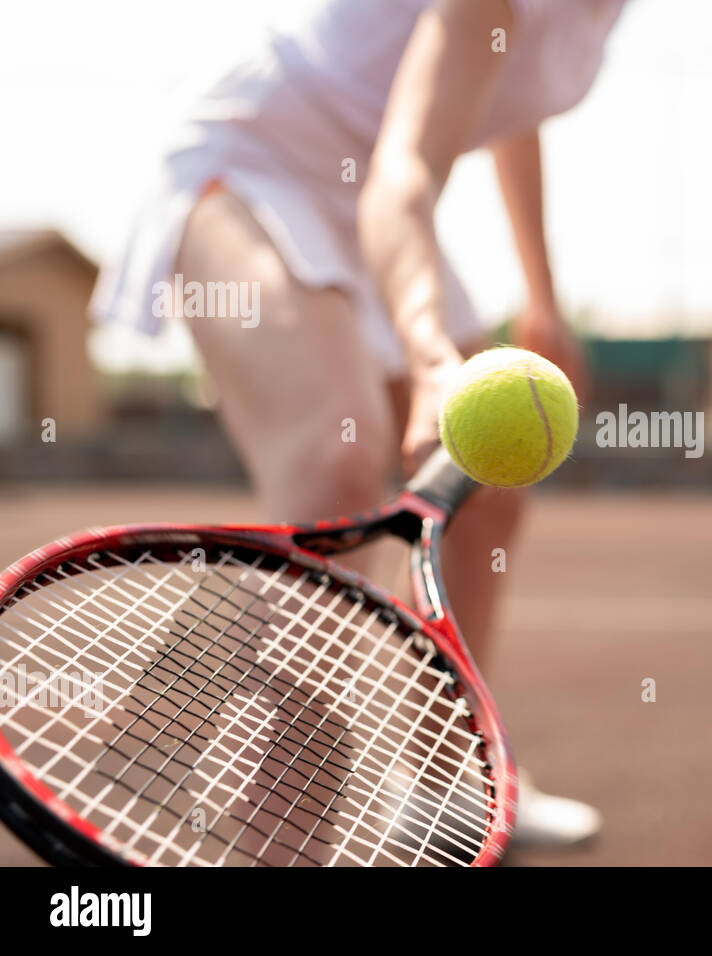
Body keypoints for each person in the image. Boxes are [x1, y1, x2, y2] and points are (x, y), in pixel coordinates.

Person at [91, 0, 626, 850]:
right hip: (259, 160)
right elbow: (404, 179)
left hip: (368, 186)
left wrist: (542, 296)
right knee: (334, 466)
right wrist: (427, 357)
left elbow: (505, 107)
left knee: (484, 497)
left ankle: (447, 787)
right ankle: (270, 819)